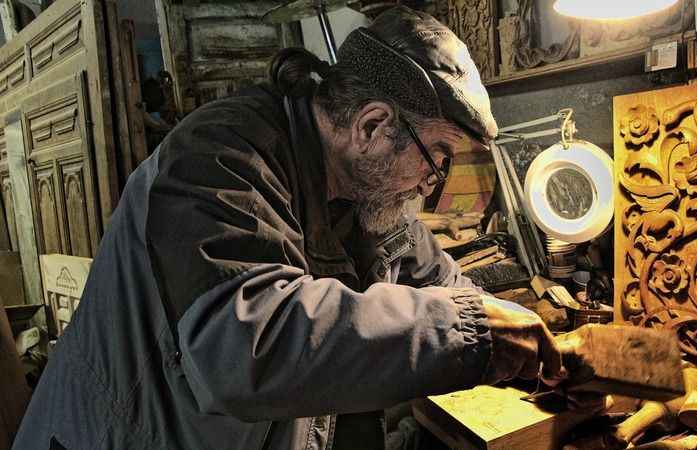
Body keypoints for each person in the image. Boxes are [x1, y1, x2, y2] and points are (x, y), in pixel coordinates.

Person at [13, 7, 563, 450]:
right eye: (436, 157)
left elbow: (443, 285)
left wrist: (535, 347)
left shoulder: (370, 197)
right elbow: (249, 345)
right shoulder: (218, 158)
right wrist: (469, 332)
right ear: (372, 125)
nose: (431, 183)